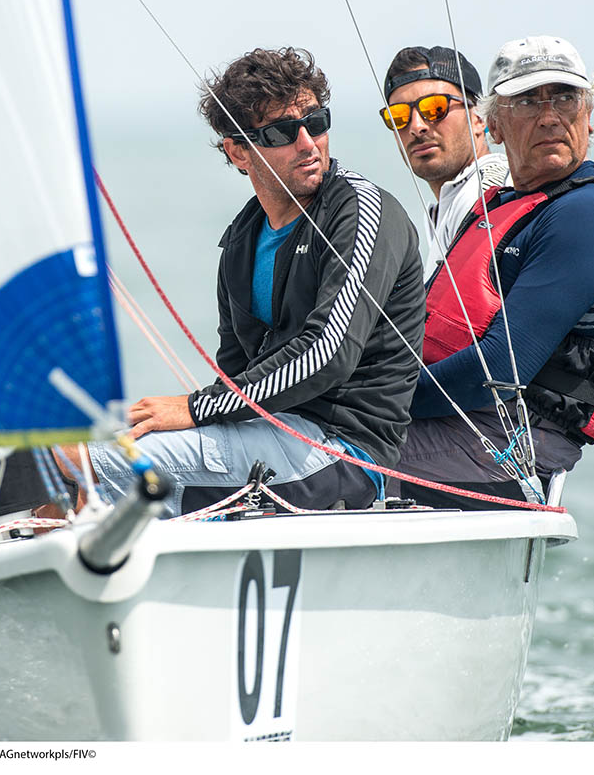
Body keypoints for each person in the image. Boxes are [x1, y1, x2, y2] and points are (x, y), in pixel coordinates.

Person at [41, 47, 425, 517]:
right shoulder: (243, 239)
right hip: (264, 435)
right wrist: (194, 415)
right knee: (33, 444)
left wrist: (195, 410)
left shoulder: (363, 211)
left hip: (341, 453)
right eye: (283, 132)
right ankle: (21, 549)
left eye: (316, 122)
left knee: (81, 461)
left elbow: (328, 353)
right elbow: (236, 368)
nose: (308, 143)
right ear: (238, 151)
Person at [393, 36, 594, 504]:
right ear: (495, 126)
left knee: (320, 459)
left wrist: (375, 401)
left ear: (587, 115)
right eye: (527, 101)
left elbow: (499, 367)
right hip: (461, 422)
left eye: (565, 98)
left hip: (507, 445)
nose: (549, 116)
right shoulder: (506, 207)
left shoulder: (589, 215)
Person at [380, 46, 511, 280]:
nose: (416, 127)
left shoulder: (488, 193)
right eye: (398, 116)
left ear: (479, 118)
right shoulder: (448, 206)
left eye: (435, 108)